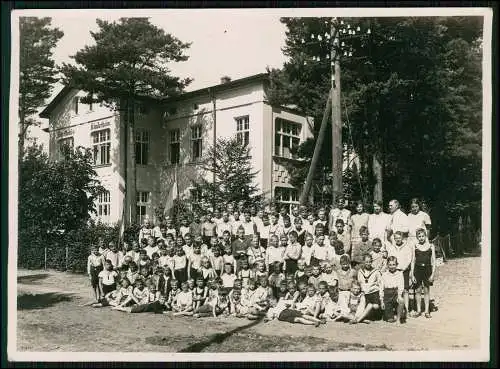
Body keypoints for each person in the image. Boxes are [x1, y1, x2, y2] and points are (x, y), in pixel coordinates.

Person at [386, 231, 414, 315]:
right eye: (396, 238)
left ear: (402, 238)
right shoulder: (392, 247)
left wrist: (403, 269)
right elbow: (390, 258)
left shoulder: (407, 247)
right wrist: (395, 269)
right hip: (394, 271)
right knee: (395, 289)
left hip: (404, 271)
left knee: (405, 290)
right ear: (394, 239)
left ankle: (406, 309)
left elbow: (409, 259)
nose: (398, 240)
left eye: (399, 238)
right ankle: (396, 309)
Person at [410, 228, 436, 318]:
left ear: (426, 236)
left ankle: (426, 311)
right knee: (418, 290)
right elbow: (413, 260)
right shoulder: (415, 246)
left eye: (422, 236)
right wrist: (412, 274)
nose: (421, 238)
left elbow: (434, 261)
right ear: (417, 237)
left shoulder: (431, 246)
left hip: (427, 269)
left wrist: (433, 274)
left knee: (426, 290)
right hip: (417, 269)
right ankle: (418, 310)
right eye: (419, 236)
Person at [379, 256, 405, 323]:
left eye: (393, 264)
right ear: (387, 265)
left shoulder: (400, 274)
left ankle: (398, 319)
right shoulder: (384, 274)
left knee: (401, 301)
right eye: (390, 265)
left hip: (395, 293)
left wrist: (399, 295)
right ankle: (391, 314)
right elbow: (381, 288)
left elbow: (401, 286)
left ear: (396, 265)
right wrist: (382, 301)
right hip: (387, 295)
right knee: (390, 320)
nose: (392, 266)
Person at [357, 253, 382, 321]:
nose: (368, 263)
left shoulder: (376, 271)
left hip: (374, 293)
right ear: (363, 262)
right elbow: (359, 283)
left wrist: (381, 295)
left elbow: (380, 283)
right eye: (366, 262)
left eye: (370, 262)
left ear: (372, 261)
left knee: (376, 307)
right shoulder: (360, 272)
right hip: (365, 294)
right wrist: (361, 292)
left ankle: (364, 317)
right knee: (365, 309)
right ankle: (362, 318)